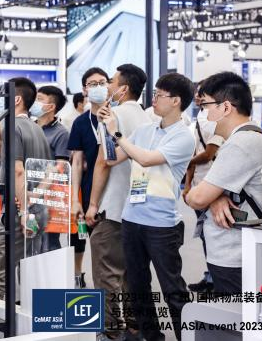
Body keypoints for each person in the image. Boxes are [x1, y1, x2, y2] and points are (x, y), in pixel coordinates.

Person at [100, 72, 195, 341]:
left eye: (159, 95)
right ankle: (151, 337)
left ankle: (187, 337)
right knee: (138, 287)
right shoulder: (145, 130)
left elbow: (145, 159)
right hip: (132, 218)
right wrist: (105, 126)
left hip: (162, 225)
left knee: (172, 288)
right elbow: (112, 158)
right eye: (154, 93)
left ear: (176, 101)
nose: (153, 99)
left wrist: (116, 132)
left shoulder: (183, 137)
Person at [185, 72, 262, 294]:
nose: (203, 113)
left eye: (205, 105)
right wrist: (215, 197)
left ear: (225, 107)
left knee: (236, 313)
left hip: (235, 254)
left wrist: (205, 196)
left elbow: (196, 198)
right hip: (241, 250)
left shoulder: (241, 143)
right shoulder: (250, 136)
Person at [85, 64, 151, 341]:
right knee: (131, 272)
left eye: (111, 82)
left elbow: (104, 161)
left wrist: (92, 204)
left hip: (112, 205)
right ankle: (135, 327)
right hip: (139, 207)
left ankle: (110, 332)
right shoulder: (147, 117)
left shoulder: (113, 116)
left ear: (123, 89)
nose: (106, 86)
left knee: (107, 273)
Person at [0, 77, 52, 300]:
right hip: (38, 210)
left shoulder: (14, 127)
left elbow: (18, 171)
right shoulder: (37, 129)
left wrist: (24, 210)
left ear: (16, 99)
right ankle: (30, 315)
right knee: (29, 268)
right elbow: (50, 170)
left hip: (19, 212)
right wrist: (34, 198)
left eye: (4, 95)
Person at [68, 67, 110, 288]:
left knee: (114, 249)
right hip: (89, 189)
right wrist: (75, 199)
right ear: (85, 90)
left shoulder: (117, 117)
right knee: (92, 242)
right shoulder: (80, 122)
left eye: (102, 82)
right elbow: (76, 162)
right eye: (93, 84)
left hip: (116, 189)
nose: (98, 87)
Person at [183, 81, 224, 293]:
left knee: (216, 236)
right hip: (199, 187)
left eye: (202, 94)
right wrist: (188, 185)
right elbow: (195, 154)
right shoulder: (199, 119)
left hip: (215, 188)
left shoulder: (218, 120)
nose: (198, 97)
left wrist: (187, 162)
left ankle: (216, 281)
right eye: (198, 93)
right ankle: (210, 277)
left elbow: (208, 154)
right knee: (205, 235)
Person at [31, 85, 71, 251]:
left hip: (48, 197)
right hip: (27, 193)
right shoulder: (29, 126)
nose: (34, 102)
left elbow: (59, 167)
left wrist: (37, 193)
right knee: (29, 242)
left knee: (48, 245)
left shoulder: (61, 133)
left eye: (39, 99)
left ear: (51, 107)